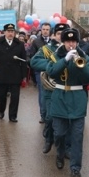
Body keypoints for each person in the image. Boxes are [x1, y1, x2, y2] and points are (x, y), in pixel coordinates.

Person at [46, 28, 89, 177]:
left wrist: (78, 62)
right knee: (59, 134)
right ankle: (60, 154)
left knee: (77, 136)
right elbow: (51, 72)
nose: (71, 44)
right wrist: (65, 60)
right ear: (64, 42)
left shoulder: (83, 56)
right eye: (68, 41)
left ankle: (75, 167)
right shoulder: (56, 56)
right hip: (60, 97)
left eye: (74, 41)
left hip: (77, 99)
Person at [31, 23, 68, 153]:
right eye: (59, 34)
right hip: (51, 88)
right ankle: (48, 139)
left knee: (66, 119)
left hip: (66, 89)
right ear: (54, 35)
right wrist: (53, 65)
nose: (61, 37)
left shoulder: (73, 49)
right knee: (50, 117)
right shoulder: (46, 49)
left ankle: (65, 148)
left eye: (64, 34)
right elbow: (34, 62)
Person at [0, 23, 28, 122]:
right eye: (9, 31)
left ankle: (13, 116)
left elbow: (23, 60)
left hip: (15, 74)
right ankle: (1, 109)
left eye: (12, 31)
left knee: (15, 97)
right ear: (4, 32)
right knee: (1, 96)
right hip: (1, 74)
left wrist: (24, 75)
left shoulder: (19, 44)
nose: (11, 33)